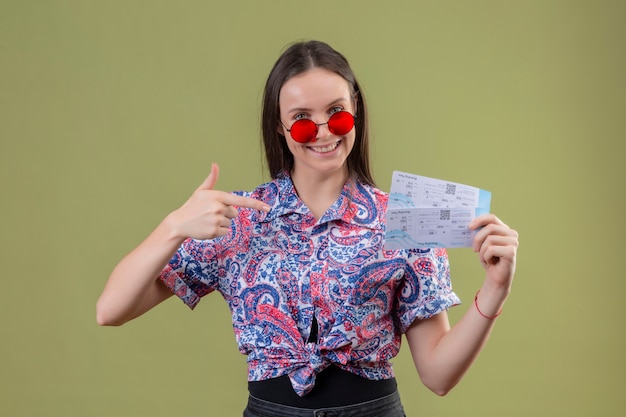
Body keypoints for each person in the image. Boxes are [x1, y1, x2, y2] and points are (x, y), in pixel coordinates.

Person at [97, 40, 519, 417]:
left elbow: (438, 376)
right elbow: (110, 310)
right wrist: (173, 226)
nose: (322, 133)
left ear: (355, 110)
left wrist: (495, 288)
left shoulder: (404, 219)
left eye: (336, 113)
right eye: (302, 120)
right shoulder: (239, 219)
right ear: (280, 128)